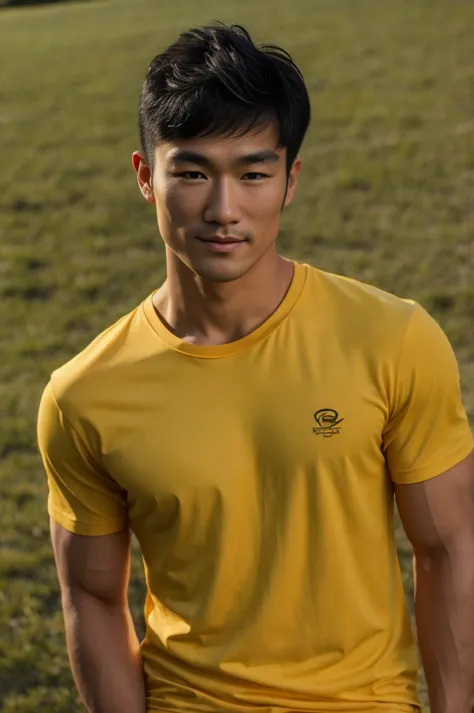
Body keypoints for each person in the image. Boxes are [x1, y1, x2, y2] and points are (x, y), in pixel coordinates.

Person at [37, 22, 474, 713]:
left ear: (290, 180)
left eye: (253, 173)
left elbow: (449, 550)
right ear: (146, 177)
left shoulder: (393, 339)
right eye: (191, 172)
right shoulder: (83, 395)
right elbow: (91, 594)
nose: (223, 209)